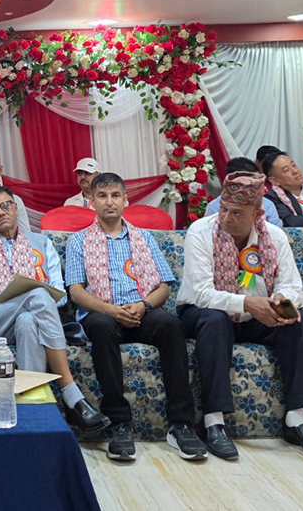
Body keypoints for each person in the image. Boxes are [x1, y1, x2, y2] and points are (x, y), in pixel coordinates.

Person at [179, 171, 303, 460]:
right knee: (214, 320)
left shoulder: (274, 236)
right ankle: (214, 423)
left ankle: (297, 419)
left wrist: (280, 302)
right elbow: (202, 293)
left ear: (258, 213)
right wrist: (248, 303)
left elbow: (291, 284)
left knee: (297, 323)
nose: (226, 218)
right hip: (203, 313)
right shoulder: (200, 232)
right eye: (224, 209)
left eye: (237, 213)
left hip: (257, 315)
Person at [66, 173, 207, 461]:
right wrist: (109, 309)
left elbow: (164, 286)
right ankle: (119, 423)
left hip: (141, 311)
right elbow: (76, 292)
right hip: (103, 313)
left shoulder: (144, 238)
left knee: (170, 324)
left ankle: (181, 424)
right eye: (102, 196)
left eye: (115, 195)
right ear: (92, 202)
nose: (109, 202)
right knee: (101, 327)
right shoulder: (78, 241)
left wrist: (143, 305)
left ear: (125, 200)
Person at [0, 185, 109, 434]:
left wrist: (27, 300)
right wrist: (11, 297)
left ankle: (34, 414)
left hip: (35, 317)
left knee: (28, 320)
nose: (1, 212)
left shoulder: (42, 243)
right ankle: (70, 392)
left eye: (6, 206)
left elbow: (60, 296)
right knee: (37, 294)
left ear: (15, 207)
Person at [204, 157, 283, 227]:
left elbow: (277, 231)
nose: (256, 185)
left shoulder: (267, 204)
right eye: (251, 181)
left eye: (257, 180)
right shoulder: (214, 207)